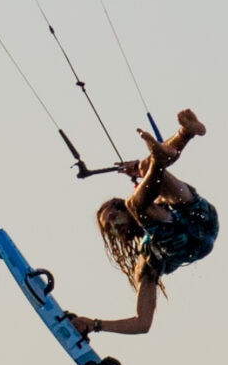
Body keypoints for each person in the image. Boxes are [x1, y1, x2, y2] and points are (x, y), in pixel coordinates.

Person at [65, 110, 214, 338]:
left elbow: (145, 200)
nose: (114, 227)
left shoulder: (155, 207)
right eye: (110, 229)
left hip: (197, 216)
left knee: (148, 176)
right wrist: (94, 325)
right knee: (146, 180)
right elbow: (142, 323)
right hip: (197, 237)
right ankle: (167, 152)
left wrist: (143, 172)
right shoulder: (147, 261)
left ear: (121, 211)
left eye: (113, 219)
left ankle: (184, 134)